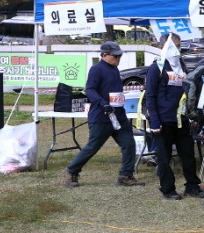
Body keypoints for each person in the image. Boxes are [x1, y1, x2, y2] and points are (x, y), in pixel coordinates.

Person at [61, 41, 146, 189]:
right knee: (93, 147)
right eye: (115, 56)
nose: (118, 59)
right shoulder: (96, 69)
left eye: (120, 56)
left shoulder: (115, 69)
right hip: (101, 116)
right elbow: (90, 90)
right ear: (105, 55)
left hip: (119, 116)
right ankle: (71, 171)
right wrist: (103, 103)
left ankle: (126, 176)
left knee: (129, 144)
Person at [143, 33, 201, 200]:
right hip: (163, 120)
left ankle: (192, 186)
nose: (178, 49)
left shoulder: (181, 66)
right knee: (164, 157)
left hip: (182, 119)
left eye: (179, 45)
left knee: (188, 154)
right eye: (175, 45)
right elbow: (150, 96)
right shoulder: (156, 68)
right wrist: (155, 121)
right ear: (164, 47)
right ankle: (168, 189)